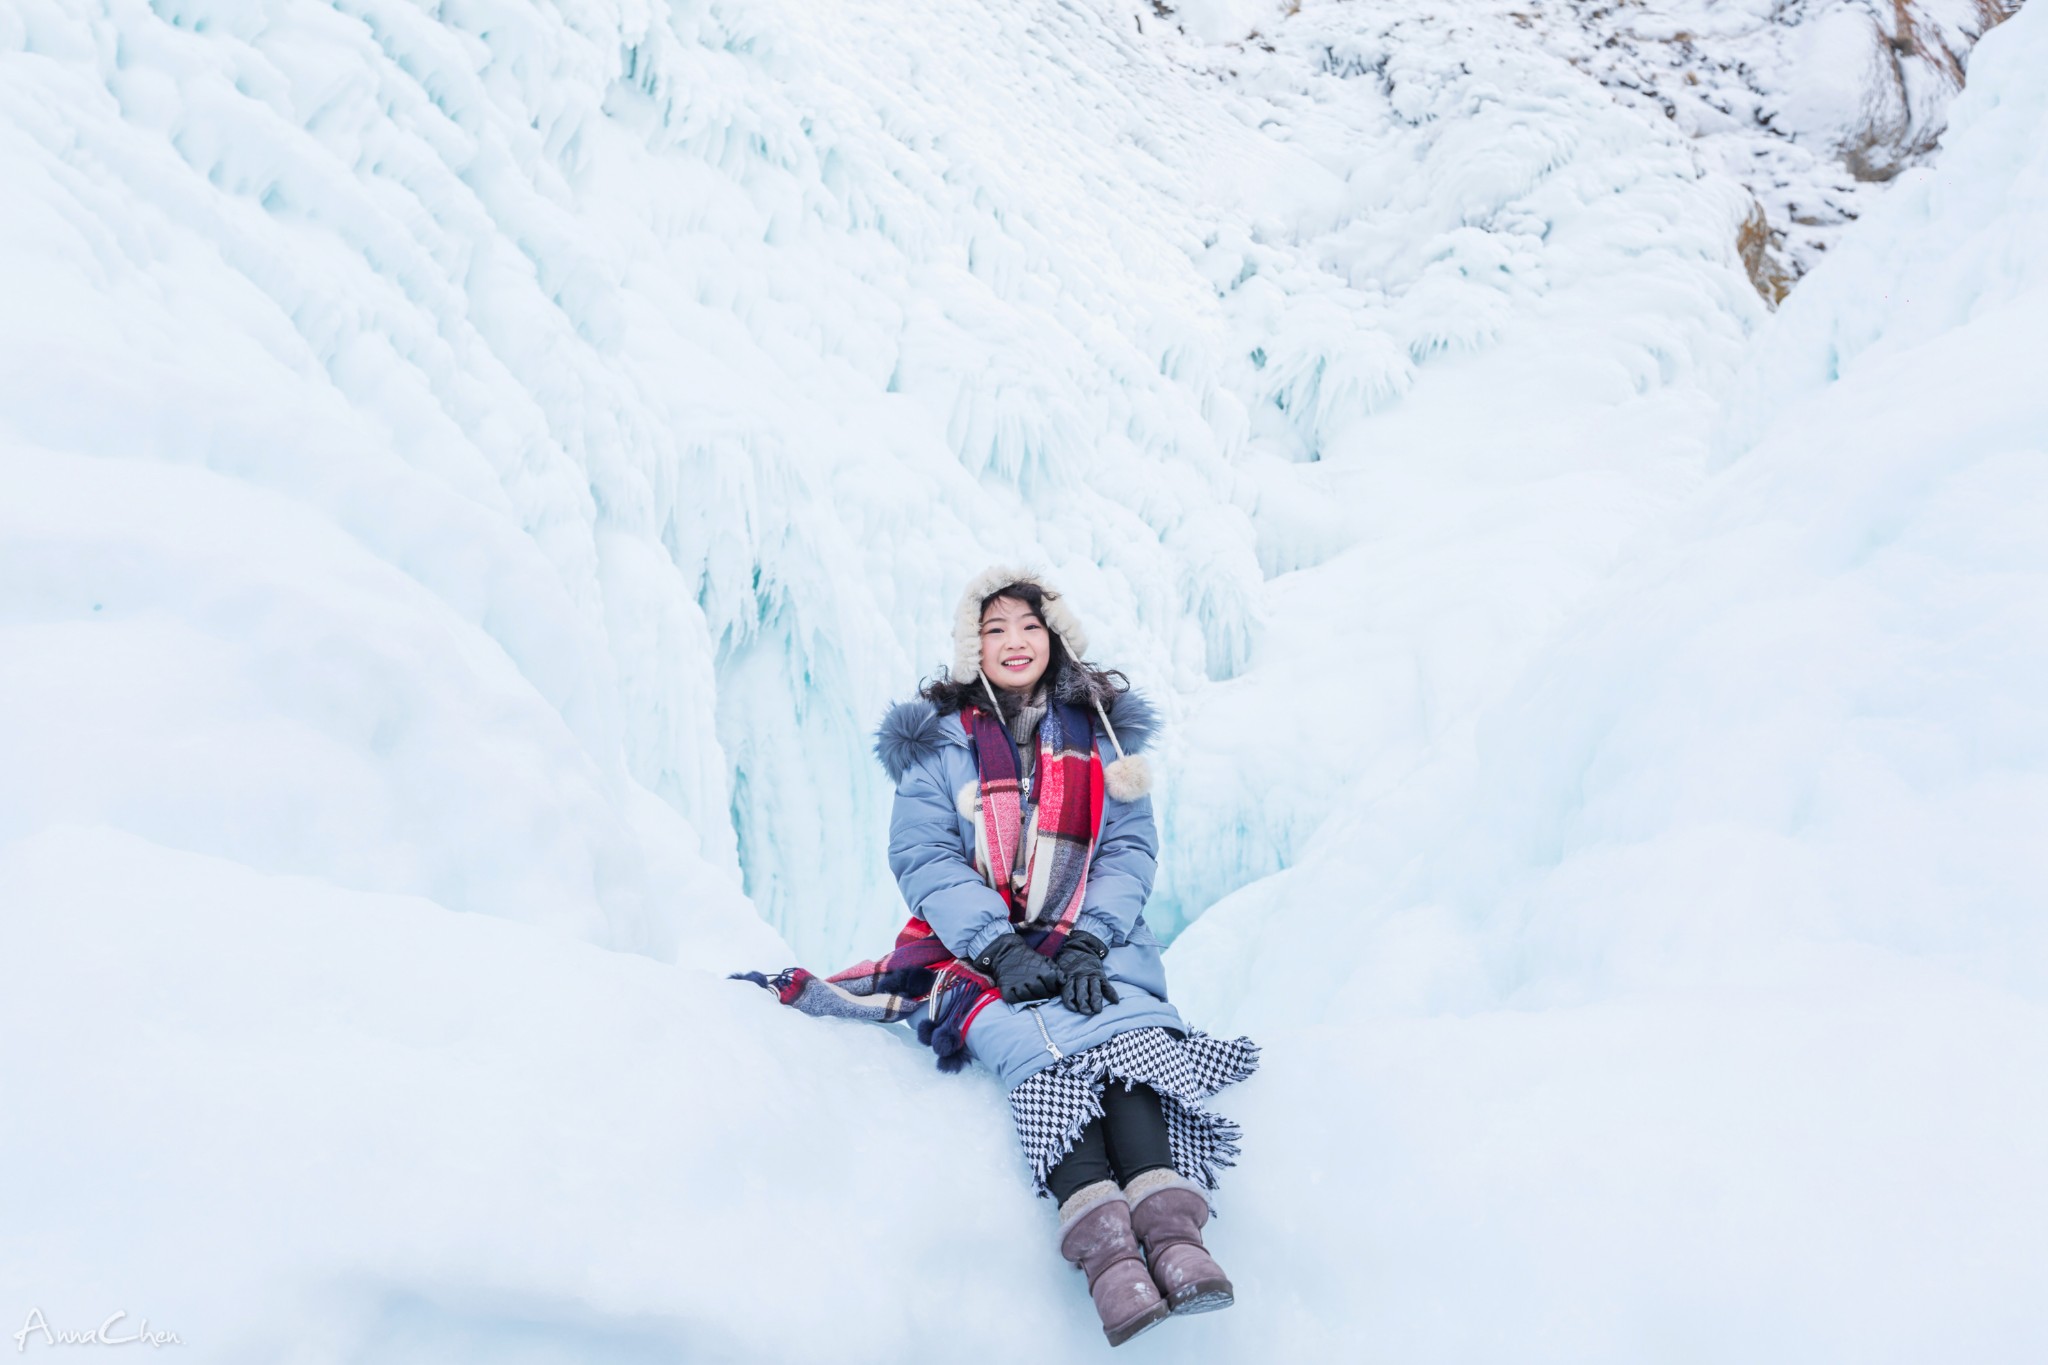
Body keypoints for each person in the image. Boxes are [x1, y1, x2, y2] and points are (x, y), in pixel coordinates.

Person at [739, 566, 1258, 1347]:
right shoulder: (937, 745)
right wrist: (996, 944)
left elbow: (1127, 848)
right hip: (976, 947)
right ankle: (1107, 1253)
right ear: (970, 646)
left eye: (1029, 625)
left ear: (1056, 636)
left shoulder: (1105, 737)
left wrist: (1088, 936)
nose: (1014, 641)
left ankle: (1175, 1229)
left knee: (1127, 1028)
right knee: (1036, 1046)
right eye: (995, 629)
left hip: (1094, 936)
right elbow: (924, 856)